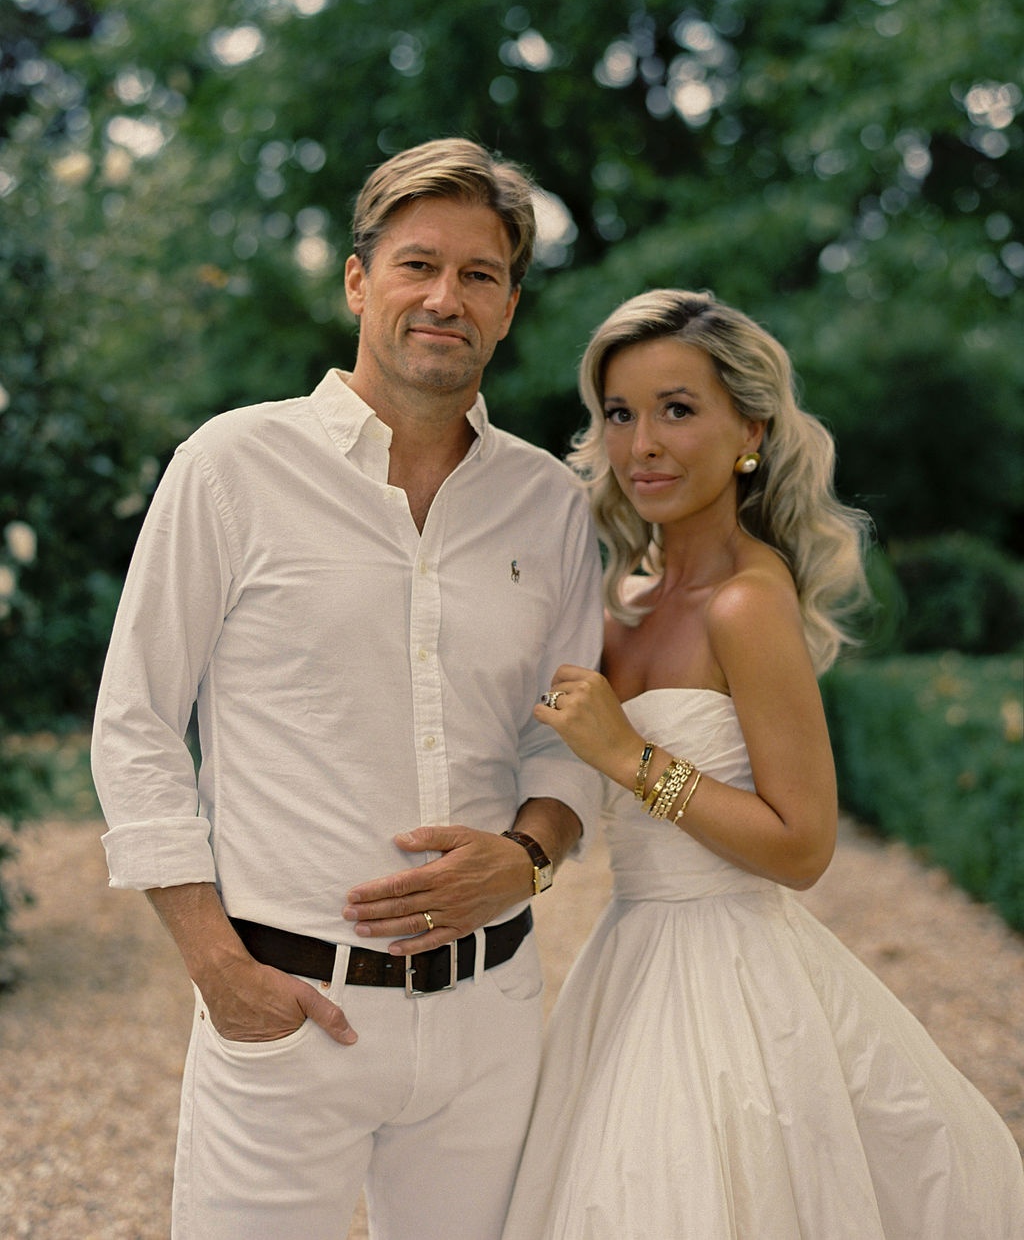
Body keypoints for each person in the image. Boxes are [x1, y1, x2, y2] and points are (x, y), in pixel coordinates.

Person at [90, 138, 604, 1240]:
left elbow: (565, 738)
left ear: (510, 306)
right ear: (358, 280)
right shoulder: (231, 466)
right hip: (285, 1014)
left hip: (491, 1021)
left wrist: (525, 858)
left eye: (479, 274)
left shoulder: (551, 505)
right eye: (418, 264)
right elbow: (135, 720)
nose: (444, 297)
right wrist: (216, 967)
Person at [503, 288, 1024, 1239]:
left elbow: (803, 846)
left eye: (678, 409)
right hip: (626, 964)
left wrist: (632, 756)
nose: (643, 444)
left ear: (750, 428)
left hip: (731, 975)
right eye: (620, 413)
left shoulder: (747, 601)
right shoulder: (624, 597)